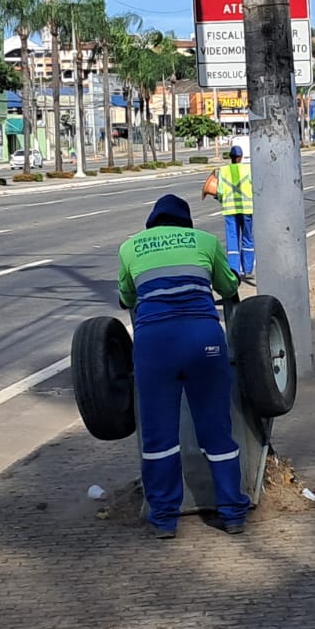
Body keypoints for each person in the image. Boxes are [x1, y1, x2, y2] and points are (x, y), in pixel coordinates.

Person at [117, 194, 248, 538]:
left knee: (158, 436)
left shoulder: (130, 247)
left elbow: (126, 297)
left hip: (154, 345)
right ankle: (232, 513)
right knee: (217, 432)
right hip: (203, 340)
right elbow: (228, 286)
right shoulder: (204, 241)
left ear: (152, 223)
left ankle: (164, 519)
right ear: (186, 223)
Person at [216, 145, 255, 283]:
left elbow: (220, 191)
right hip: (247, 209)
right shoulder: (248, 169)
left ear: (230, 157)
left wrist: (220, 198)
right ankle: (248, 270)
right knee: (247, 239)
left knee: (232, 240)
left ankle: (234, 270)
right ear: (241, 157)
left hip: (230, 210)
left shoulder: (223, 170)